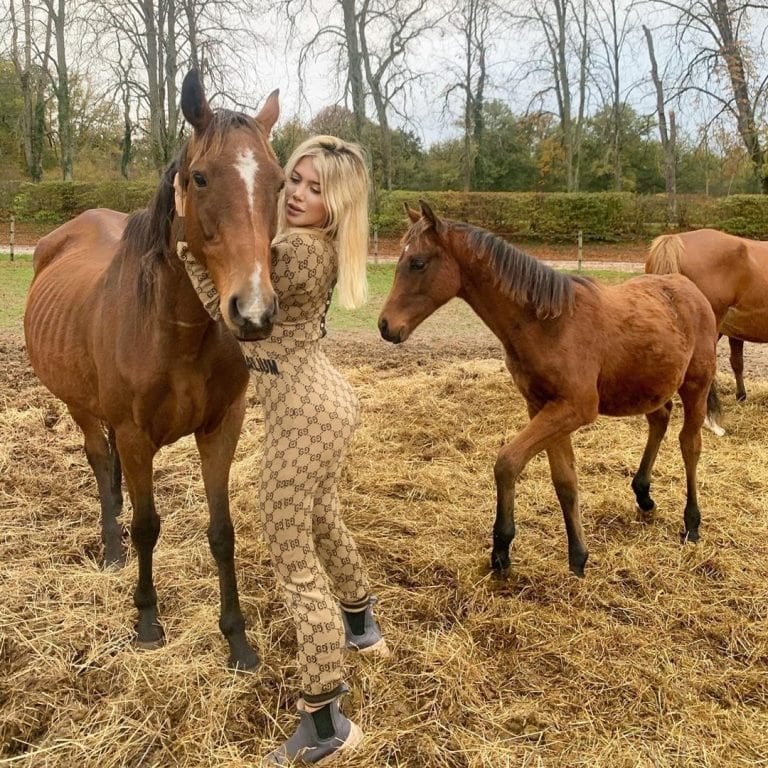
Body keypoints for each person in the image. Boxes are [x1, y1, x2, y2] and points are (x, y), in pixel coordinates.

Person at [178, 135, 387, 765]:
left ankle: (326, 723)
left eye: (315, 188)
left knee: (293, 559)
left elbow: (235, 307)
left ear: (337, 205)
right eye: (293, 180)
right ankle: (362, 626)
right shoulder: (314, 247)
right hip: (326, 398)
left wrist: (190, 249)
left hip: (302, 414)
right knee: (324, 519)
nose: (297, 194)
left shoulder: (292, 255)